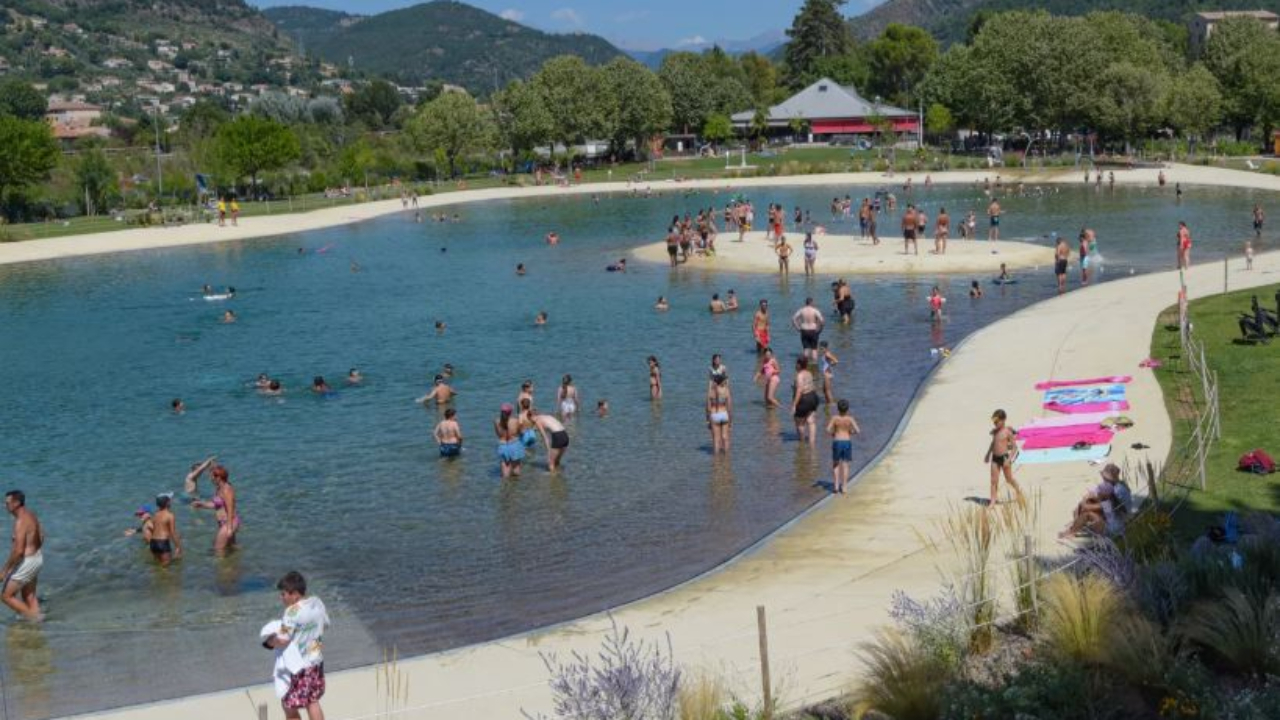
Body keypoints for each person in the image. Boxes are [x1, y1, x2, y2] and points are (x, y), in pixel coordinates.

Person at [263, 571, 330, 720]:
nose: (281, 598)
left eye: (283, 594)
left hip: (299, 666)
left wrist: (268, 642)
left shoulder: (291, 612)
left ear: (295, 594)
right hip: (316, 661)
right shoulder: (317, 603)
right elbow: (325, 625)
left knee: (288, 704)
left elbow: (283, 639)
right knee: (312, 702)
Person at [1059, 464, 1126, 538]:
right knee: (1085, 506)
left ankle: (1072, 532)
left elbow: (1086, 506)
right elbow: (1097, 497)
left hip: (1111, 530)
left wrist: (1085, 499)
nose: (1099, 493)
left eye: (1100, 492)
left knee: (1088, 514)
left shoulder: (1106, 504)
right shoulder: (1112, 497)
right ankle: (1076, 526)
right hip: (1117, 525)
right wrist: (1092, 497)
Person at [191, 465, 240, 555]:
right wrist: (202, 504)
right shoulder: (219, 489)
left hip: (229, 522)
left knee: (218, 550)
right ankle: (235, 567)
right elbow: (216, 505)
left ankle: (221, 568)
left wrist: (229, 528)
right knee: (232, 548)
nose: (211, 479)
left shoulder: (226, 489)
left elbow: (230, 509)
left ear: (219, 477)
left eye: (212, 477)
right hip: (224, 523)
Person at [984, 409, 1025, 507]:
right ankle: (993, 501)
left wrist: (1009, 459)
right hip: (995, 458)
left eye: (997, 422)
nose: (995, 423)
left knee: (1009, 479)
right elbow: (993, 443)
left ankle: (1019, 491)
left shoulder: (1007, 432)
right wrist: (988, 454)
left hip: (1004, 458)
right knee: (993, 481)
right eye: (994, 422)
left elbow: (1014, 447)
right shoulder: (995, 432)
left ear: (1003, 420)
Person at [826, 399, 862, 494]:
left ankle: (836, 486)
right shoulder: (850, 419)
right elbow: (858, 431)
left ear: (838, 408)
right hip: (846, 441)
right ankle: (844, 486)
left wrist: (833, 434)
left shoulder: (835, 418)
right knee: (845, 465)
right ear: (848, 409)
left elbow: (827, 429)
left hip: (837, 441)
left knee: (836, 464)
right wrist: (850, 432)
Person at [791, 357, 820, 445]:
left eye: (796, 363)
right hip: (813, 397)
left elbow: (800, 390)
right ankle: (812, 443)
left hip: (804, 399)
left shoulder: (799, 375)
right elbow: (810, 385)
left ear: (799, 365)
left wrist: (794, 405)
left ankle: (802, 443)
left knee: (800, 422)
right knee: (811, 421)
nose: (795, 365)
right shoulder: (809, 373)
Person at [149, 494, 182, 567]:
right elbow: (172, 533)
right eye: (169, 501)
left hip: (153, 542)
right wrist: (177, 547)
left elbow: (152, 528)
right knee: (165, 567)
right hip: (163, 542)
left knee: (157, 565)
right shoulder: (170, 515)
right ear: (167, 503)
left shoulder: (155, 514)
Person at [792, 297, 825, 364]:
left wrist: (797, 328)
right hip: (813, 330)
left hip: (804, 330)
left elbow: (793, 319)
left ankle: (805, 364)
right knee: (814, 349)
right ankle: (814, 364)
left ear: (806, 303)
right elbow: (822, 321)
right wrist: (820, 329)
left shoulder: (801, 310)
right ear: (812, 302)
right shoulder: (815, 310)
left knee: (806, 349)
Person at [495, 403, 524, 479]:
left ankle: (506, 488)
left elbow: (498, 435)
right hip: (514, 445)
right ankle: (515, 489)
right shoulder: (515, 421)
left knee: (505, 474)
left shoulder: (496, 421)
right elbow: (521, 433)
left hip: (502, 446)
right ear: (511, 412)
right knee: (516, 471)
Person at [706, 373, 733, 454]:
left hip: (714, 415)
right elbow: (730, 407)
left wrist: (707, 420)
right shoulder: (726, 390)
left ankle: (716, 461)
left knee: (716, 439)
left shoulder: (711, 391)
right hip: (724, 413)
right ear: (722, 382)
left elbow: (708, 408)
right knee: (725, 437)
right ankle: (726, 458)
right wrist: (731, 420)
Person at [818, 340, 838, 405]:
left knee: (828, 390)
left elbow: (836, 361)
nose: (821, 350)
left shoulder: (827, 354)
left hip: (827, 374)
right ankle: (827, 402)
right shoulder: (825, 353)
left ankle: (832, 404)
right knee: (824, 390)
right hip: (826, 373)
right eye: (820, 348)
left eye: (822, 348)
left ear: (826, 348)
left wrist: (830, 365)